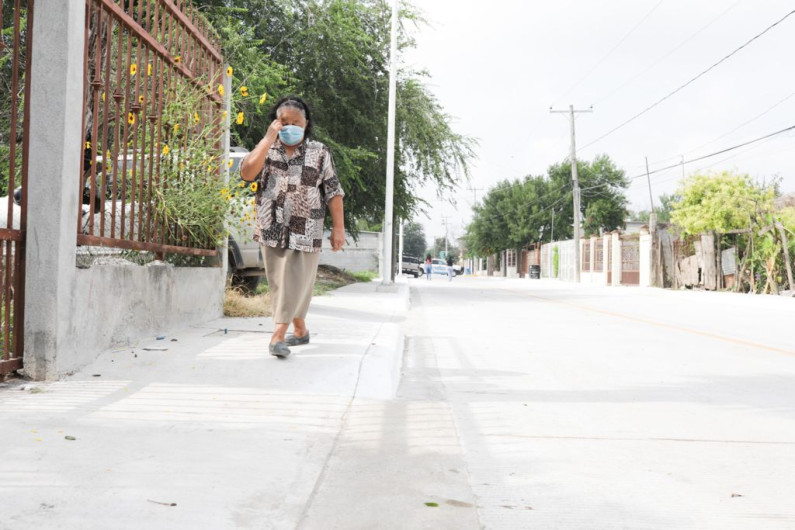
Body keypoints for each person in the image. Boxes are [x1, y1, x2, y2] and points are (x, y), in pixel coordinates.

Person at [240, 95, 345, 359]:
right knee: (280, 282)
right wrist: (266, 139)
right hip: (271, 224)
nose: (289, 127)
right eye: (283, 122)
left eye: (295, 122)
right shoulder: (268, 148)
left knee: (294, 279)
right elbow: (247, 173)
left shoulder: (319, 152)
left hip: (307, 227)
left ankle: (277, 336)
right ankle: (300, 330)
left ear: (306, 123)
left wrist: (338, 229)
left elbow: (334, 192)